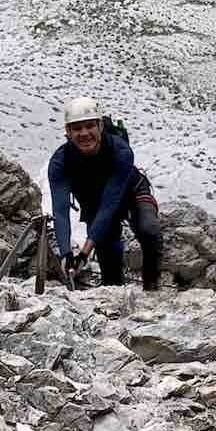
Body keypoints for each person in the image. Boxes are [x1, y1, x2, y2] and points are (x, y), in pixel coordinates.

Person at [47, 97, 163, 291]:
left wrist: (83, 254)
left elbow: (110, 204)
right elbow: (60, 212)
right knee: (108, 259)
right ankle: (114, 291)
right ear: (68, 132)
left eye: (89, 126)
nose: (84, 133)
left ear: (100, 126)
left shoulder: (120, 151)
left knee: (149, 229)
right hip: (94, 203)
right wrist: (66, 255)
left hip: (131, 192)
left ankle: (151, 286)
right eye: (77, 128)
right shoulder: (60, 163)